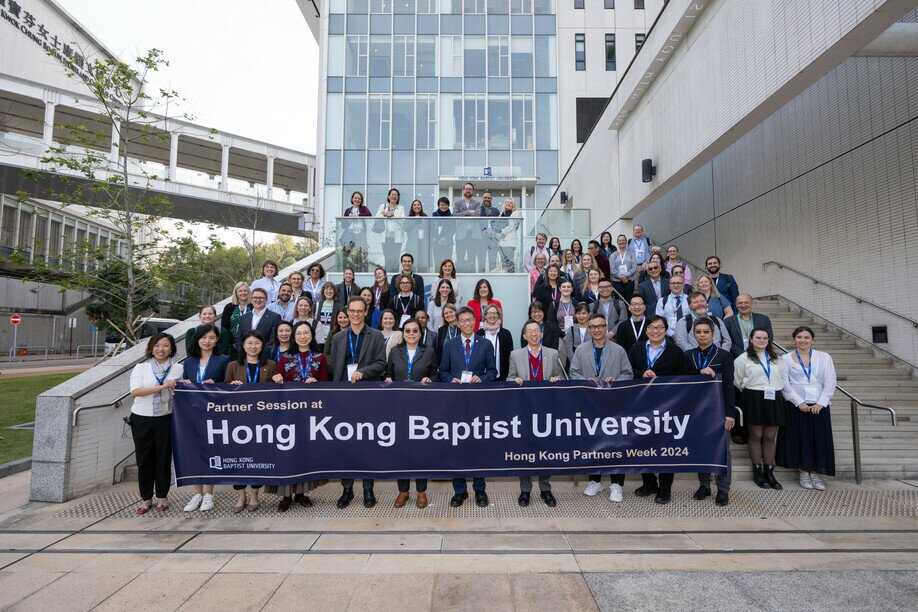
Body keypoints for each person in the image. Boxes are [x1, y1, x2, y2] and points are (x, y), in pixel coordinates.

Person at [329, 296, 387, 508]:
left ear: (365, 312)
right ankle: (347, 490)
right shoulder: (338, 338)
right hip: (344, 399)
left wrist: (363, 371)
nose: (355, 314)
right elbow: (335, 368)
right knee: (346, 445)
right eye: (352, 311)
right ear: (347, 312)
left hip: (367, 399)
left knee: (367, 445)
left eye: (359, 311)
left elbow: (382, 364)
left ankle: (368, 490)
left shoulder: (376, 335)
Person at [570, 314, 634, 503]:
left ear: (606, 328)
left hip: (614, 404)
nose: (596, 330)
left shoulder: (618, 350)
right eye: (592, 327)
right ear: (588, 330)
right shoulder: (581, 350)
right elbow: (573, 372)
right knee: (592, 444)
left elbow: (628, 373)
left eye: (600, 326)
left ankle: (616, 484)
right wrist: (584, 381)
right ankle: (595, 480)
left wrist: (616, 381)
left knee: (616, 444)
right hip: (589, 404)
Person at [439, 306, 497, 507]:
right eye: (462, 320)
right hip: (455, 404)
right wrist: (451, 379)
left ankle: (479, 490)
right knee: (457, 447)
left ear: (475, 321)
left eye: (470, 320)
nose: (467, 323)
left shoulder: (485, 344)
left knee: (477, 447)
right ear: (457, 322)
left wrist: (481, 378)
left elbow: (493, 371)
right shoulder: (449, 344)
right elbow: (442, 372)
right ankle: (460, 490)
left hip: (478, 404)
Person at [628, 315, 690, 504]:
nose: (655, 331)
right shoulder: (636, 348)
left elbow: (684, 377)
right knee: (642, 446)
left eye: (660, 328)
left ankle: (664, 489)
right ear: (646, 330)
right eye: (652, 328)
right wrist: (641, 373)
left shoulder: (675, 351)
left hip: (666, 408)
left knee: (665, 448)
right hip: (641, 408)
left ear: (665, 330)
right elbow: (629, 370)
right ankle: (649, 483)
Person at [270, 321, 328, 511]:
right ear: (294, 337)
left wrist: (316, 384)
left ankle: (301, 493)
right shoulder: (285, 358)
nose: (302, 336)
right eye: (299, 333)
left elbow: (326, 386)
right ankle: (286, 496)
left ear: (312, 335)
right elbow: (277, 383)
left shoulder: (320, 357)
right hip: (288, 413)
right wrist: (277, 379)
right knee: (288, 453)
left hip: (310, 413)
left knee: (304, 453)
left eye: (306, 333)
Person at [385, 317, 438, 509]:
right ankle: (403, 491)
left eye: (415, 331)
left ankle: (422, 491)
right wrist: (388, 379)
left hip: (422, 408)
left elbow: (435, 374)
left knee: (421, 449)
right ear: (403, 333)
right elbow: (388, 373)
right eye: (408, 331)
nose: (411, 334)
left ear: (420, 333)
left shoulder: (429, 351)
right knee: (401, 450)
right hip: (399, 408)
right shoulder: (395, 351)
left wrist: (430, 379)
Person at [508, 320, 562, 507]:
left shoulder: (553, 353)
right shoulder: (515, 355)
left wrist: (557, 379)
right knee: (524, 450)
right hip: (524, 409)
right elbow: (509, 377)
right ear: (524, 336)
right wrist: (514, 380)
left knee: (546, 450)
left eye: (536, 331)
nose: (533, 334)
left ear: (541, 333)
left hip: (547, 410)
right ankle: (525, 490)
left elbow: (561, 376)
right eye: (529, 331)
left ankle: (545, 489)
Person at [777, 326, 837, 491]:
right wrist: (799, 402)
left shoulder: (824, 357)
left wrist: (821, 403)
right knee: (800, 439)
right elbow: (785, 384)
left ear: (812, 340)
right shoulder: (786, 359)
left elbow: (830, 381)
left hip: (819, 405)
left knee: (818, 439)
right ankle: (803, 471)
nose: (802, 340)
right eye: (799, 337)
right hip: (797, 405)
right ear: (794, 339)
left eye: (806, 337)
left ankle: (815, 473)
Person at [225, 331, 279, 512]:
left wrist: (278, 382)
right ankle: (240, 496)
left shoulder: (271, 365)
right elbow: (223, 390)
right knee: (238, 457)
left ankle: (255, 495)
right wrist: (230, 386)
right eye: (249, 343)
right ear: (243, 345)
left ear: (262, 346)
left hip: (262, 421)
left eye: (257, 343)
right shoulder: (233, 365)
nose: (253, 346)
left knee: (259, 457)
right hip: (238, 421)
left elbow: (277, 393)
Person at [129, 333, 182, 514]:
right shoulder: (141, 368)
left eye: (165, 346)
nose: (161, 349)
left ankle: (162, 496)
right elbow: (136, 391)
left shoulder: (177, 369)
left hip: (166, 418)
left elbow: (183, 391)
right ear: (151, 348)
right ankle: (145, 498)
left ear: (171, 349)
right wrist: (162, 387)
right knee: (144, 460)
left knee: (163, 458)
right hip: (142, 418)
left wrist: (178, 389)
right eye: (157, 345)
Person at [684, 318, 735, 507]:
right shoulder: (689, 355)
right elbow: (684, 381)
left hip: (718, 410)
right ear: (694, 335)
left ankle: (723, 489)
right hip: (696, 411)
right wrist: (699, 372)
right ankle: (704, 485)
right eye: (698, 332)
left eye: (706, 332)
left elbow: (729, 386)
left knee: (722, 451)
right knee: (701, 448)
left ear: (713, 334)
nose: (702, 335)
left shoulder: (724, 356)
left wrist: (730, 413)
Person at [180, 324, 229, 513]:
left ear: (217, 340)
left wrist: (215, 384)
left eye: (211, 338)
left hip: (214, 412)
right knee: (195, 452)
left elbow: (228, 386)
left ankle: (209, 493)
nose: (207, 341)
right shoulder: (189, 361)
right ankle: (197, 493)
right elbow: (184, 384)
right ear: (197, 339)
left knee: (211, 451)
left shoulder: (223, 360)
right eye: (204, 337)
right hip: (192, 413)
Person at [734, 328, 788, 490]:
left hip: (774, 397)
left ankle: (769, 471)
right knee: (756, 434)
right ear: (751, 339)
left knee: (770, 436)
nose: (762, 340)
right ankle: (757, 470)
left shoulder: (777, 359)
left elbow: (782, 377)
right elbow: (738, 380)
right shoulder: (742, 359)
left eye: (765, 338)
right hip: (754, 397)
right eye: (758, 337)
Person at [234, 288, 281, 356]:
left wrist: (258, 353)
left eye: (261, 298)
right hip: (245, 357)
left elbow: (273, 340)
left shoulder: (275, 317)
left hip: (265, 357)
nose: (258, 300)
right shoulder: (243, 318)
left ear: (266, 300)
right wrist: (245, 352)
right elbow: (238, 338)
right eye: (255, 297)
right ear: (251, 299)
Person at [476, 304, 513, 381]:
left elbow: (510, 356)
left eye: (495, 313)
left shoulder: (506, 334)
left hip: (501, 377)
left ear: (498, 315)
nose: (492, 315)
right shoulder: (479, 334)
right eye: (489, 313)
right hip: (482, 378)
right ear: (485, 316)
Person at [341, 190, 373, 271]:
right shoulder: (348, 210)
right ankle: (348, 271)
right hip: (350, 233)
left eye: (359, 198)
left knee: (362, 253)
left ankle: (362, 270)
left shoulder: (363, 208)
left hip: (360, 233)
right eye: (355, 198)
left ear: (361, 200)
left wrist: (358, 215)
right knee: (349, 253)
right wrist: (349, 219)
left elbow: (369, 215)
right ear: (352, 199)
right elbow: (343, 225)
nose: (357, 200)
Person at [452, 182, 479, 272]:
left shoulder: (477, 203)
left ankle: (473, 275)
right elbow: (455, 215)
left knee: (472, 258)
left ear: (473, 191)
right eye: (466, 189)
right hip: (461, 235)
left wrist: (462, 214)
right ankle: (459, 274)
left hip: (473, 235)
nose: (468, 190)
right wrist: (468, 212)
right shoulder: (457, 203)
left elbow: (478, 214)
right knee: (460, 257)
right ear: (463, 190)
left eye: (470, 189)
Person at [376, 187, 406, 271]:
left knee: (396, 257)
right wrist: (384, 215)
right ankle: (387, 274)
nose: (394, 196)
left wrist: (392, 215)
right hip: (385, 236)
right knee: (387, 256)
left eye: (396, 195)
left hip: (397, 237)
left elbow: (403, 220)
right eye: (392, 194)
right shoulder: (383, 206)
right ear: (389, 196)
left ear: (398, 197)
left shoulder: (401, 208)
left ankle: (395, 275)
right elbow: (376, 218)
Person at [221, 282, 252, 358]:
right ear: (236, 293)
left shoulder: (253, 306)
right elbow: (225, 326)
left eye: (245, 291)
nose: (243, 293)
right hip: (232, 344)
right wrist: (234, 342)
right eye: (240, 291)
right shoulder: (229, 307)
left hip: (251, 343)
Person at [476, 190, 501, 272]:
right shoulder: (478, 209)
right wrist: (483, 231)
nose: (487, 199)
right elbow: (476, 223)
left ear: (491, 199)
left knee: (492, 261)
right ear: (482, 198)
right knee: (481, 261)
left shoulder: (496, 211)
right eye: (485, 197)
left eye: (489, 198)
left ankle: (492, 278)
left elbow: (498, 223)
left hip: (492, 239)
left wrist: (493, 231)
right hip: (481, 239)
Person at [314, 282, 342, 352]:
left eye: (331, 289)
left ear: (334, 292)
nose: (329, 291)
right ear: (323, 291)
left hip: (331, 338)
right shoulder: (317, 305)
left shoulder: (339, 306)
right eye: (326, 289)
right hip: (319, 338)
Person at [496, 197, 522, 272]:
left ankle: (511, 275)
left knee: (509, 262)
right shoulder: (501, 214)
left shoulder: (516, 213)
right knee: (503, 262)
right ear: (505, 203)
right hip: (501, 242)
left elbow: (512, 226)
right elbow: (497, 225)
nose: (509, 204)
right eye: (507, 202)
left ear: (513, 205)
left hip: (509, 242)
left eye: (511, 203)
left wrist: (501, 231)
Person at [610, 234, 637, 301]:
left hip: (629, 281)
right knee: (619, 300)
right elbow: (612, 270)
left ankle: (628, 312)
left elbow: (634, 268)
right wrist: (620, 276)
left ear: (626, 242)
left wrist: (626, 276)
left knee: (628, 299)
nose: (622, 242)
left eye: (623, 240)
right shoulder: (613, 255)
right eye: (620, 240)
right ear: (617, 242)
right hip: (617, 281)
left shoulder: (631, 254)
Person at [431, 196, 455, 268]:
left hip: (447, 242)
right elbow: (431, 229)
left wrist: (445, 238)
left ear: (448, 205)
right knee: (437, 262)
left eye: (445, 204)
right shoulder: (433, 216)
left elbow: (453, 229)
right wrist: (436, 238)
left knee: (447, 263)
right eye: (442, 204)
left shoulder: (451, 216)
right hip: (436, 242)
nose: (443, 206)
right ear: (438, 205)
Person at [404, 199, 428, 270]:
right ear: (412, 207)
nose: (417, 206)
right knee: (412, 266)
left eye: (418, 205)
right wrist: (415, 219)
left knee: (423, 266)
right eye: (415, 205)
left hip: (423, 244)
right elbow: (405, 228)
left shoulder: (426, 217)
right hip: (412, 244)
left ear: (421, 206)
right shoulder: (409, 217)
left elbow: (430, 229)